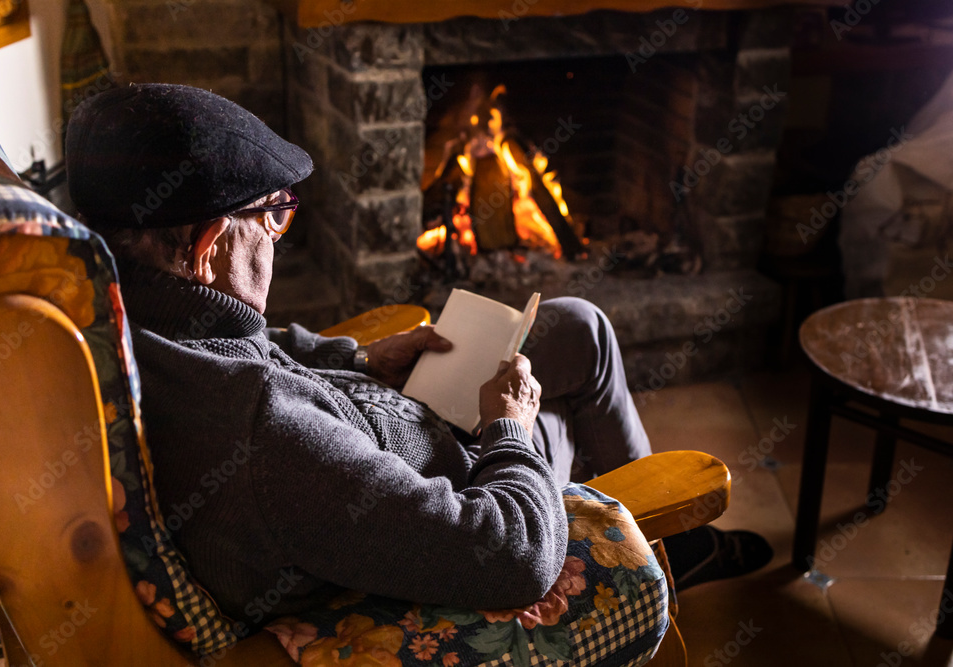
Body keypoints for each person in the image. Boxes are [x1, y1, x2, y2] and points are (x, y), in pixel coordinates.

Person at [65, 83, 769, 629]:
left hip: (393, 427)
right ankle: (667, 550)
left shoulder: (137, 315)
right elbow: (514, 553)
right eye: (273, 213)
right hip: (463, 491)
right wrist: (511, 430)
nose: (279, 234)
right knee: (566, 404)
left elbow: (258, 351)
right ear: (208, 243)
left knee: (581, 327)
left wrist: (364, 361)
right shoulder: (260, 435)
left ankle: (668, 543)